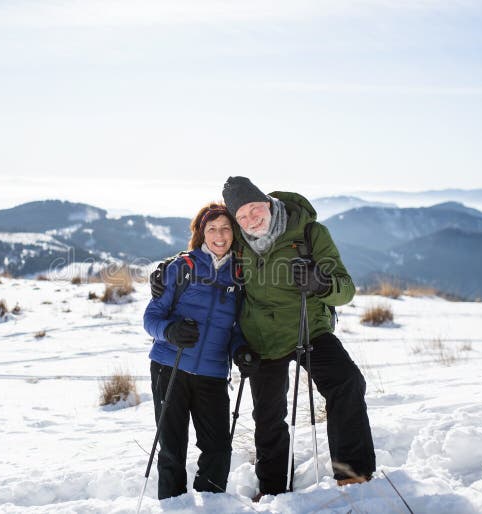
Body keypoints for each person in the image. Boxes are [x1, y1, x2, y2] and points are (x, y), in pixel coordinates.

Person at [222, 176, 376, 499]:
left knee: (346, 382)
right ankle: (274, 493)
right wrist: (170, 273)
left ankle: (354, 476)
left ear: (266, 201)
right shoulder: (235, 240)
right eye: (242, 216)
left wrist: (321, 284)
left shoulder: (309, 232)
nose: (251, 220)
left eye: (254, 209)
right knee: (268, 418)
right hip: (262, 338)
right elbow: (202, 252)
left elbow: (346, 288)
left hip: (311, 329)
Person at [142, 202, 244, 499]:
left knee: (218, 450)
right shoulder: (181, 268)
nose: (219, 234)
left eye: (225, 227)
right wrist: (170, 331)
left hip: (212, 373)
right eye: (212, 228)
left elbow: (236, 329)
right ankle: (172, 506)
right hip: (169, 366)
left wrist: (241, 352)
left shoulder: (240, 275)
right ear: (201, 233)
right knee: (172, 449)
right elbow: (150, 320)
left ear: (234, 233)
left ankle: (212, 504)